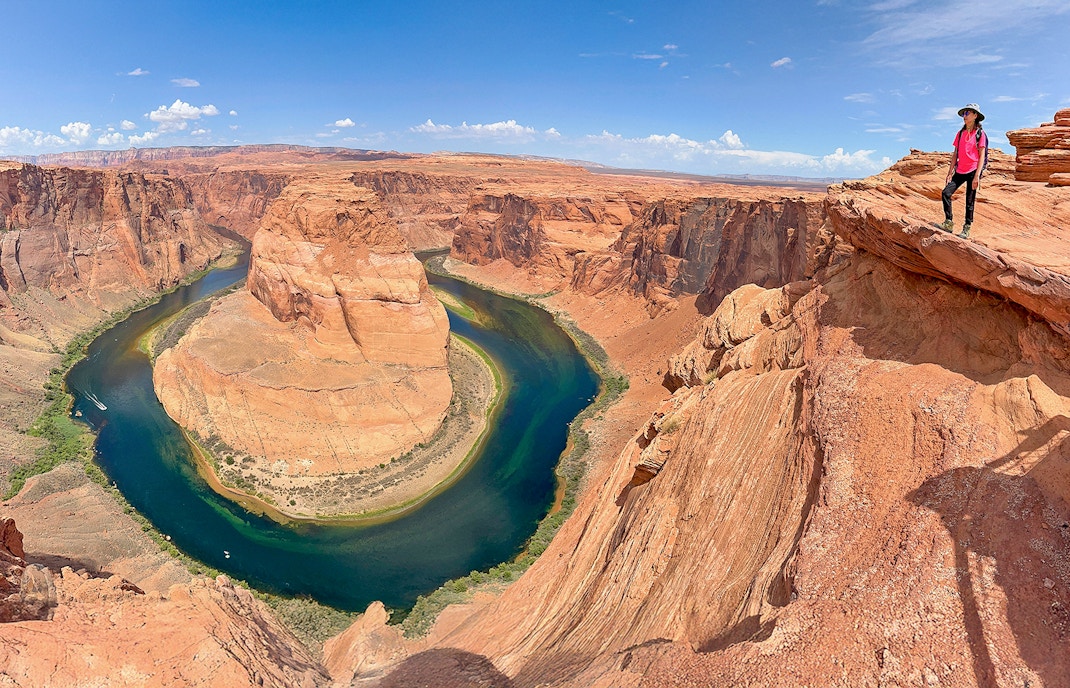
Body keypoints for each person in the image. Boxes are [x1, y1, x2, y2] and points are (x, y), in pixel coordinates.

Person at [940, 103, 988, 238]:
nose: (964, 116)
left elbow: (982, 155)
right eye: (963, 113)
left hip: (973, 170)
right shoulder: (960, 133)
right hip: (960, 170)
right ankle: (948, 223)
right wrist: (950, 172)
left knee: (969, 201)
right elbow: (955, 154)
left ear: (975, 115)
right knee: (946, 193)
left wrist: (977, 176)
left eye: (967, 113)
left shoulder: (980, 134)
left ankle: (966, 228)